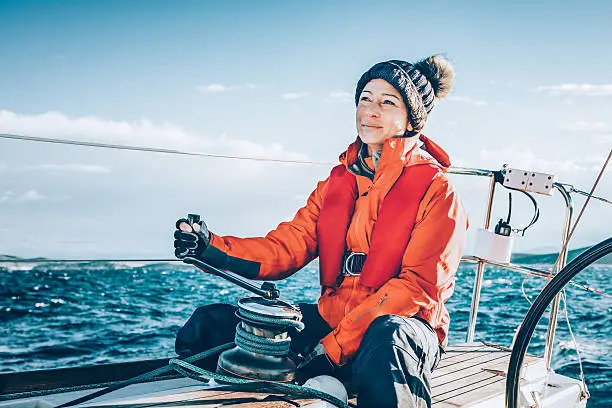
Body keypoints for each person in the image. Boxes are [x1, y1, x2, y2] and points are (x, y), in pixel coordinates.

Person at [173, 54, 468, 408]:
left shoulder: (438, 191)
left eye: (387, 102)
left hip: (402, 331)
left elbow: (416, 289)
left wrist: (331, 351)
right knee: (208, 327)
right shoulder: (336, 184)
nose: (371, 110)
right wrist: (211, 247)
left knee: (388, 339)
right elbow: (286, 247)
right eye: (365, 99)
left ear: (410, 119)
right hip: (332, 322)